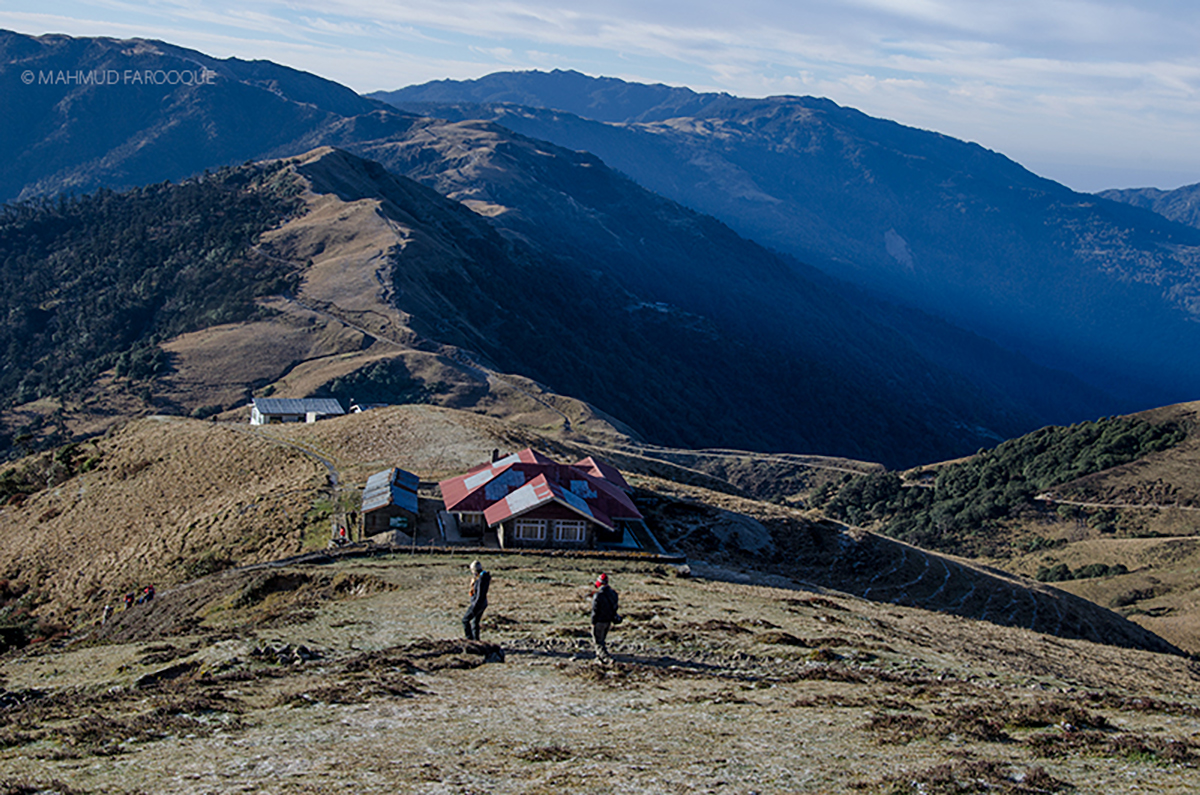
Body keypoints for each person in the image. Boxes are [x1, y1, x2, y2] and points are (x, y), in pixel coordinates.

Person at [591, 573, 620, 663]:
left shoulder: (598, 596)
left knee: (598, 642)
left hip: (599, 621)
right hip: (608, 621)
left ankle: (606, 658)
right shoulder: (614, 594)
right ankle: (600, 659)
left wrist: (593, 622)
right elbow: (615, 607)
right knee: (602, 640)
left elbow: (595, 611)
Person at [462, 560, 490, 641]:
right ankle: (476, 641)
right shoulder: (483, 577)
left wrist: (475, 605)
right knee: (475, 622)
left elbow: (480, 594)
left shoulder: (481, 580)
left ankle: (469, 640)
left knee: (465, 620)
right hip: (483, 603)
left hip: (477, 604)